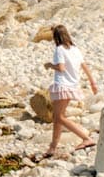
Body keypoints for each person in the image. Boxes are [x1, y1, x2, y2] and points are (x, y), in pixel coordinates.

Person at [40, 24, 98, 159]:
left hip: (62, 85)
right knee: (57, 117)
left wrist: (49, 65)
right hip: (72, 85)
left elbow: (60, 68)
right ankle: (52, 148)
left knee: (59, 117)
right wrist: (92, 83)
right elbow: (85, 67)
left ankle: (86, 138)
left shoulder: (59, 50)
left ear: (56, 37)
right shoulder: (75, 49)